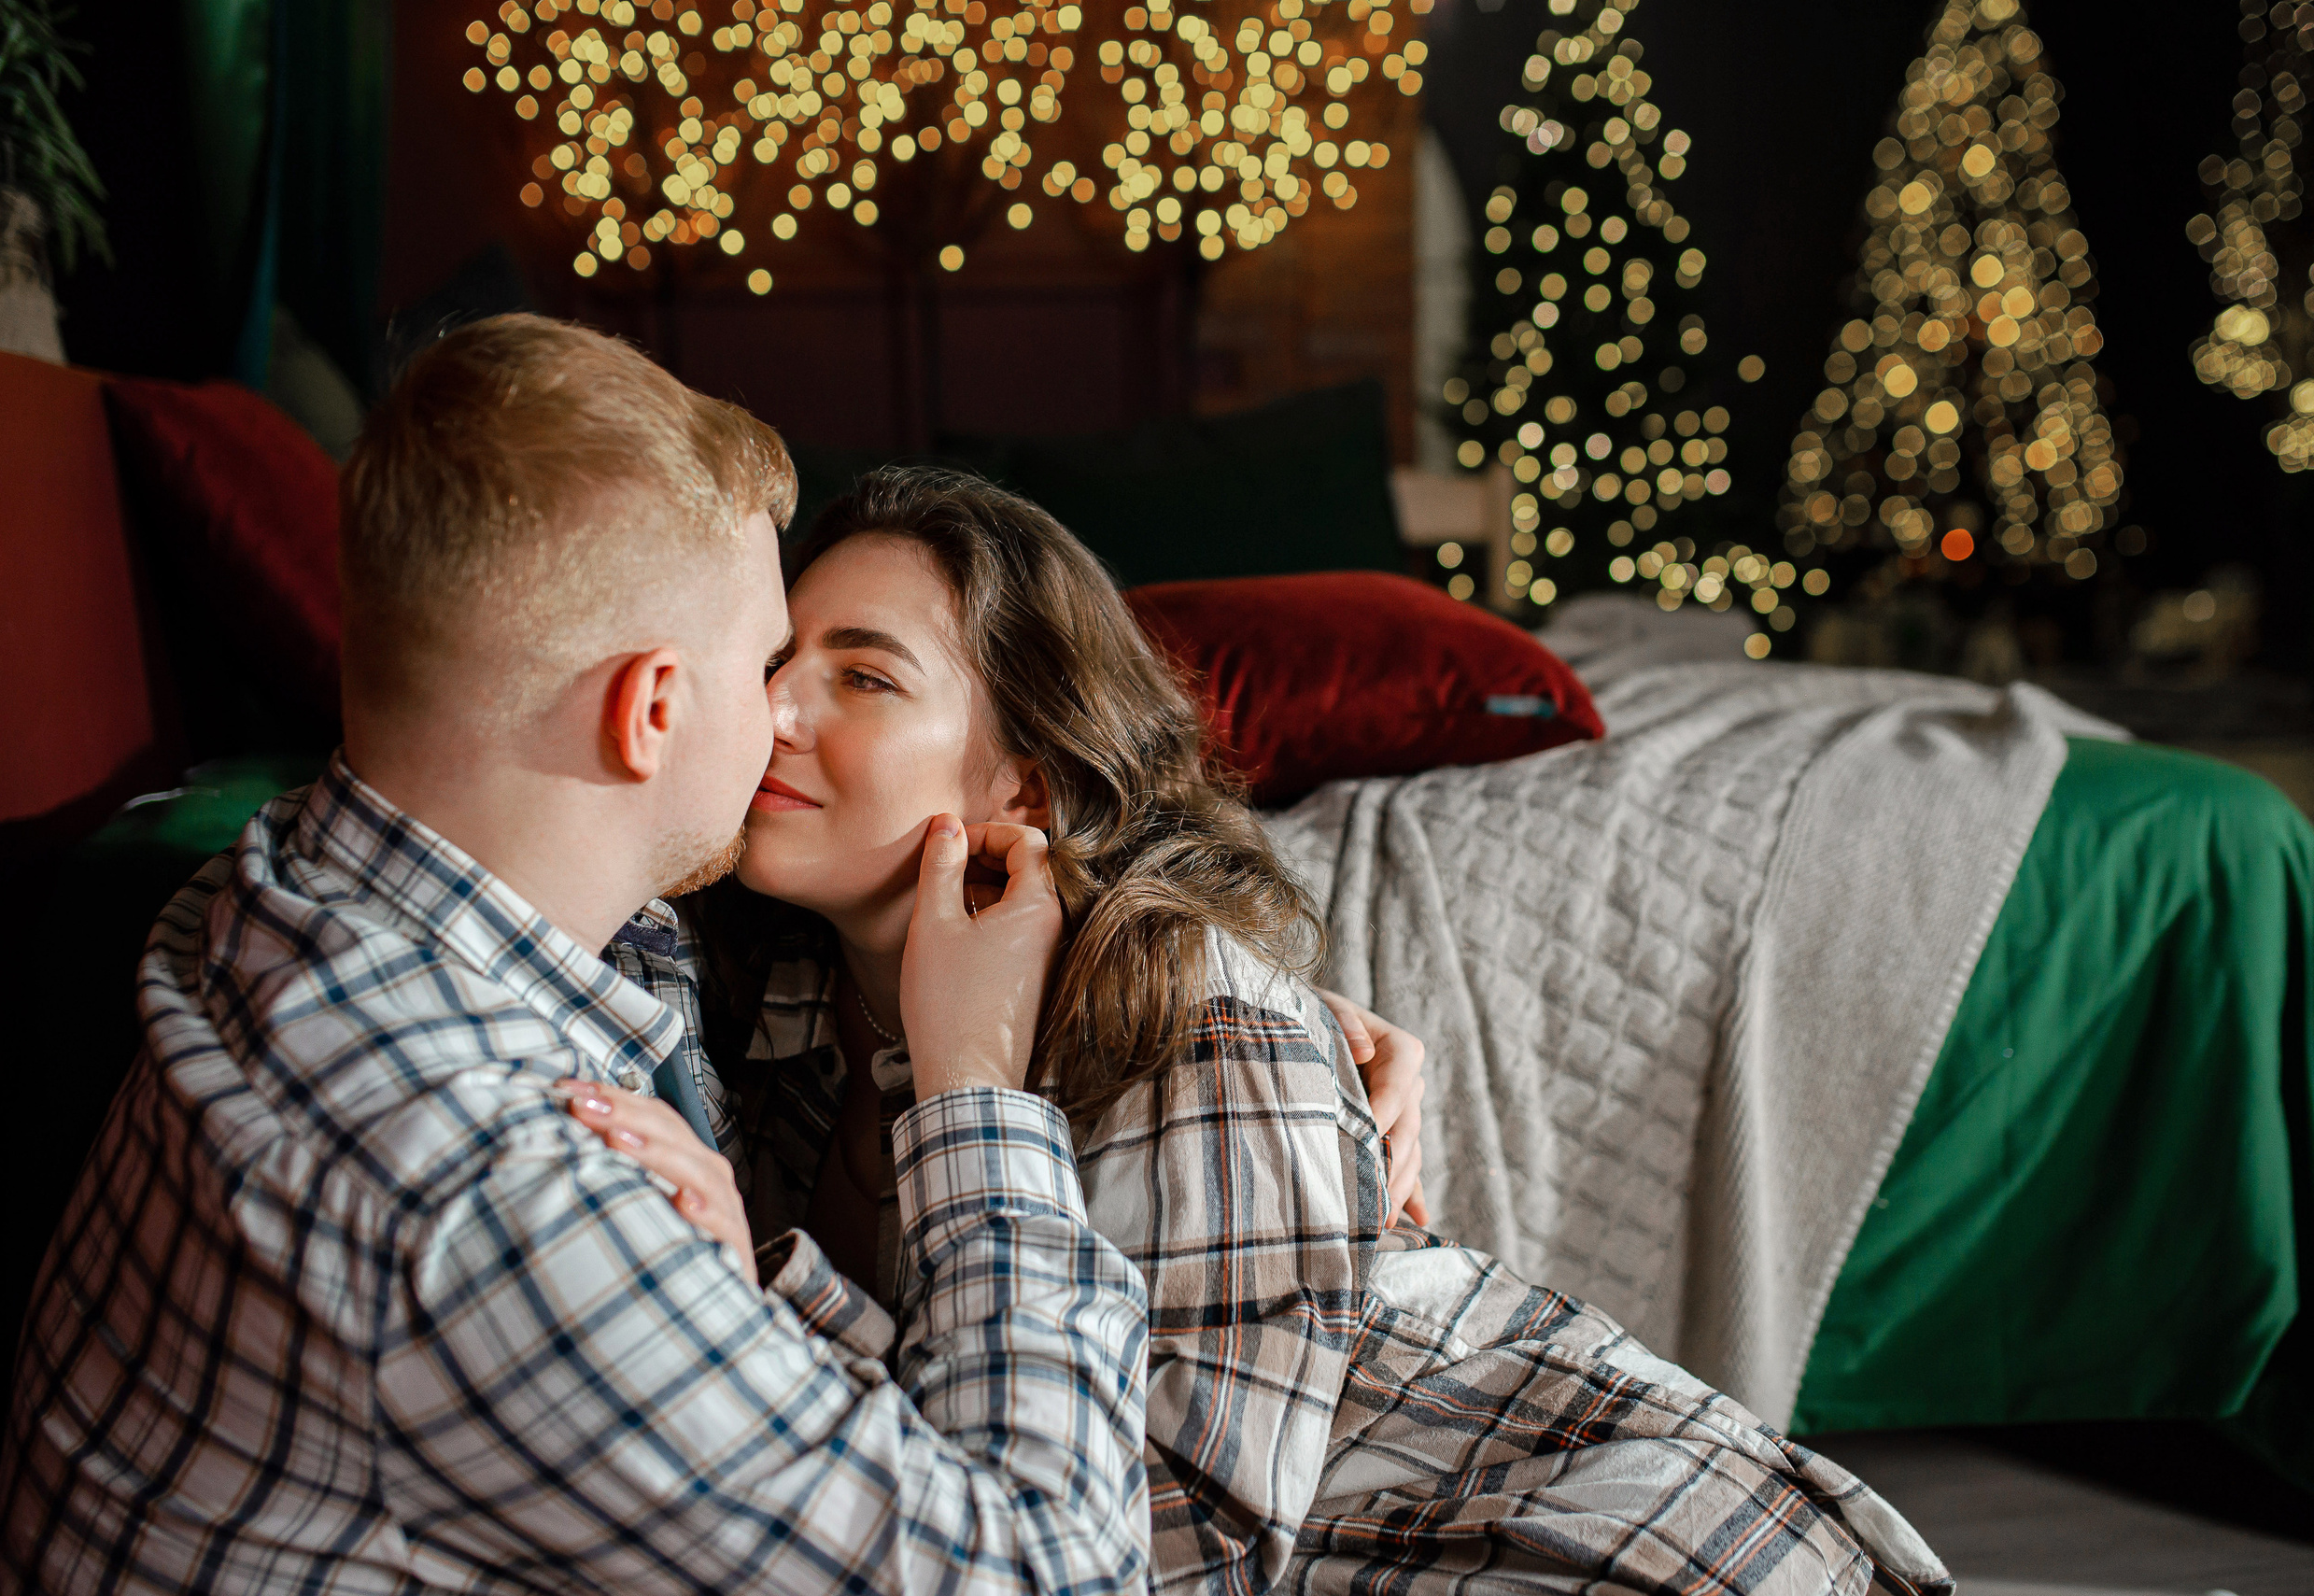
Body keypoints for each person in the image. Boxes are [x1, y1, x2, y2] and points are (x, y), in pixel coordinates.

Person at [583, 468, 1954, 1595]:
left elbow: (1169, 1559)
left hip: (1608, 1534)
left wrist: (784, 1295)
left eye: (864, 678)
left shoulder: (1188, 1002)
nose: (773, 708)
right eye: (775, 659)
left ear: (1027, 777)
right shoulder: (767, 1003)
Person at [0, 320, 1152, 1596]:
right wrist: (979, 1089)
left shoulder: (281, 887)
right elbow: (1057, 1576)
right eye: (764, 658)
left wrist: (1160, 954)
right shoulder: (488, 1191)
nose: (781, 710)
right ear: (652, 710)